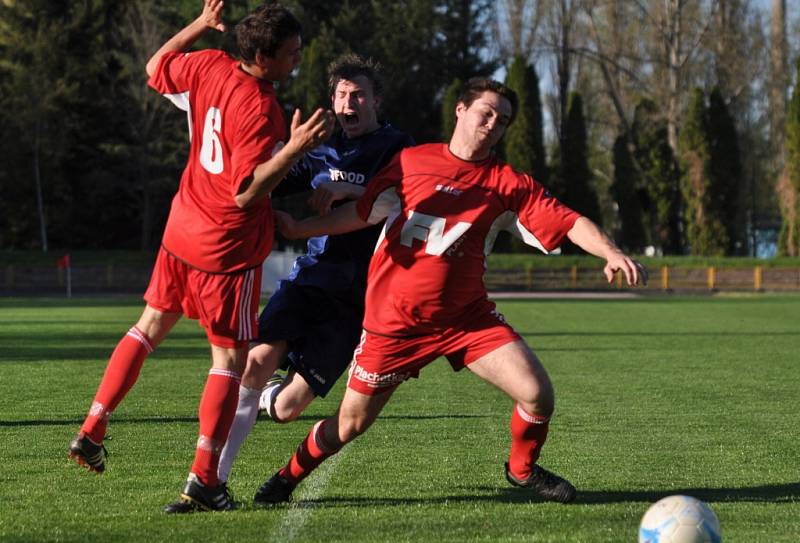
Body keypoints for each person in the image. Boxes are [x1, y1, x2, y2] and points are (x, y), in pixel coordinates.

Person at [254, 77, 648, 506]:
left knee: (537, 393)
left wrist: (609, 251)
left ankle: (522, 470)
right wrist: (299, 228)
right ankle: (286, 477)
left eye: (503, 121)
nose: (493, 124)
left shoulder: (508, 183)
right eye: (487, 113)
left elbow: (568, 220)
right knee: (348, 425)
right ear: (460, 110)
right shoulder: (410, 162)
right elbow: (362, 213)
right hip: (394, 323)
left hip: (465, 319)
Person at [66, 0, 335, 513]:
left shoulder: (208, 62)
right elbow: (246, 191)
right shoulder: (260, 107)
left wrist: (198, 26)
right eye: (291, 53)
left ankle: (93, 426)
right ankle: (205, 479)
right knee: (229, 361)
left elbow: (154, 67)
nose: (297, 61)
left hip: (180, 231)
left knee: (147, 329)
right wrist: (294, 148)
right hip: (225, 249)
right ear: (262, 55)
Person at [216, 54, 414, 486]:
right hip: (310, 279)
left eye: (358, 94)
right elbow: (259, 185)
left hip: (357, 301)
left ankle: (267, 400)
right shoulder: (320, 148)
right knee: (255, 362)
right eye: (342, 94)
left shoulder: (397, 148)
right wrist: (286, 152)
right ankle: (214, 477)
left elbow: (404, 197)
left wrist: (347, 187)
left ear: (376, 100)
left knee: (287, 410)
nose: (350, 102)